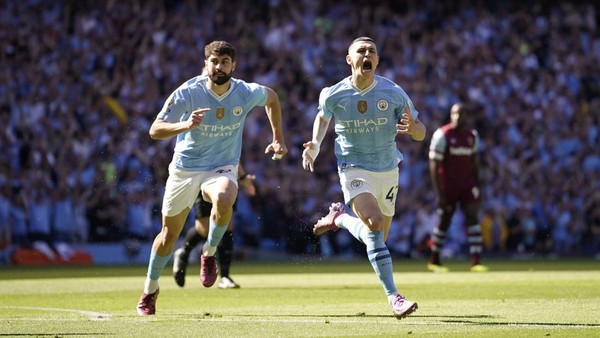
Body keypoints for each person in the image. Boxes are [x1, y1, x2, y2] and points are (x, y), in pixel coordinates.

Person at [137, 40, 287, 316]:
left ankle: (208, 253)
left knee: (226, 196)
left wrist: (278, 138)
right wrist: (185, 124)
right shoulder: (188, 92)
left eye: (225, 62)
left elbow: (272, 98)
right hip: (185, 169)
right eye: (214, 62)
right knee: (168, 237)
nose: (219, 67)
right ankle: (150, 290)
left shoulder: (244, 91)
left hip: (221, 167)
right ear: (205, 64)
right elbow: (155, 129)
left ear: (234, 65)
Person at [302, 36, 425, 320]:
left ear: (377, 61)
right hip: (353, 167)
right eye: (361, 51)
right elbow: (323, 117)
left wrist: (416, 128)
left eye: (372, 51)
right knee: (374, 223)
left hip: (387, 169)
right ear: (350, 60)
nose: (367, 54)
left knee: (378, 237)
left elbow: (420, 132)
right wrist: (315, 144)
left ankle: (340, 219)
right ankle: (394, 297)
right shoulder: (334, 93)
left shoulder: (393, 92)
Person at [172, 163, 256, 289]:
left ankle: (225, 277)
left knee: (227, 224)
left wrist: (243, 177)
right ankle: (183, 252)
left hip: (226, 179)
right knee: (204, 230)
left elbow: (233, 154)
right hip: (203, 177)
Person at [427, 102, 489, 272]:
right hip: (448, 185)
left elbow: (475, 163)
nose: (456, 117)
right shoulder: (442, 134)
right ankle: (434, 259)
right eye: (454, 113)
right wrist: (439, 193)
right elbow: (434, 164)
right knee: (444, 220)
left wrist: (477, 185)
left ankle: (476, 261)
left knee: (472, 216)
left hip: (467, 184)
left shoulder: (472, 136)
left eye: (460, 114)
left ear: (466, 117)